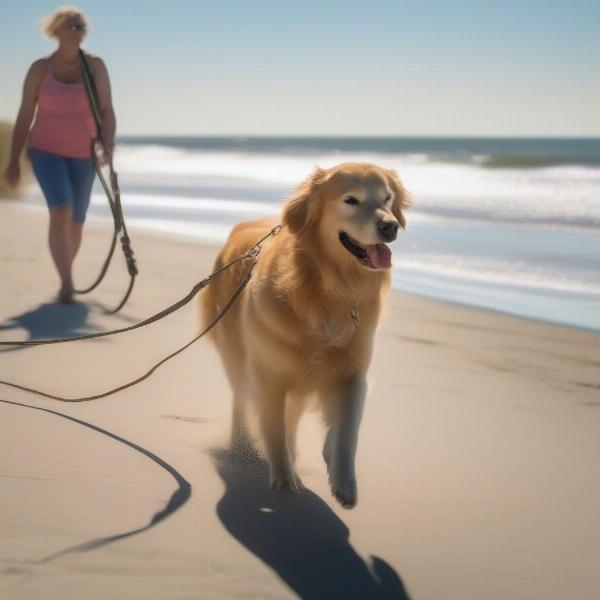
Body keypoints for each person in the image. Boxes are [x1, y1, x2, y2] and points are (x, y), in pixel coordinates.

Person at [3, 6, 115, 303]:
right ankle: (67, 284)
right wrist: (13, 159)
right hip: (46, 150)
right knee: (61, 210)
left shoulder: (95, 66)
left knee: (77, 221)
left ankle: (65, 275)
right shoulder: (41, 68)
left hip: (84, 153)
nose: (78, 30)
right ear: (57, 31)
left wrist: (108, 146)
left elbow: (106, 110)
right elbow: (26, 113)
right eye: (72, 25)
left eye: (81, 25)